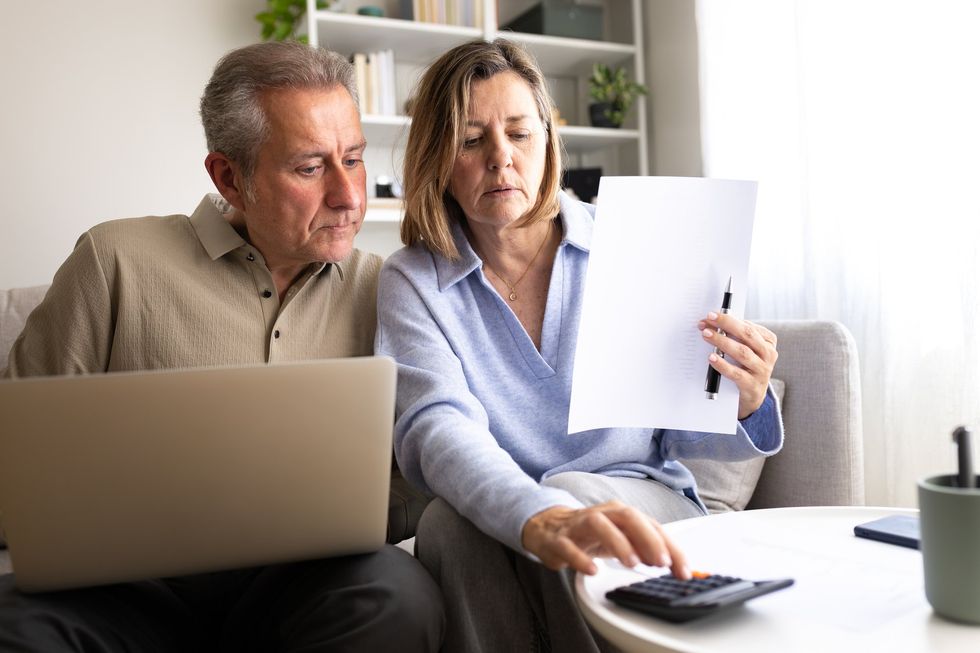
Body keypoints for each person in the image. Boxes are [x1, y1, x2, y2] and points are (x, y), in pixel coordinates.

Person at [0, 41, 443, 652]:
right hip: (126, 589)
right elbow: (20, 458)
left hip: (305, 585)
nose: (348, 196)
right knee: (15, 621)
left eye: (354, 159)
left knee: (398, 595)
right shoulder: (114, 262)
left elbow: (425, 464)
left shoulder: (387, 289)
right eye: (311, 168)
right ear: (229, 177)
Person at [374, 38, 783, 652]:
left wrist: (744, 398)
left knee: (575, 494)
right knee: (446, 527)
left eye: (519, 132)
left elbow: (689, 431)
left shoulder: (633, 243)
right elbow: (436, 428)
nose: (501, 158)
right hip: (513, 507)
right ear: (437, 157)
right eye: (470, 139)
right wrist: (535, 513)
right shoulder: (413, 279)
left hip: (644, 498)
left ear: (547, 139)